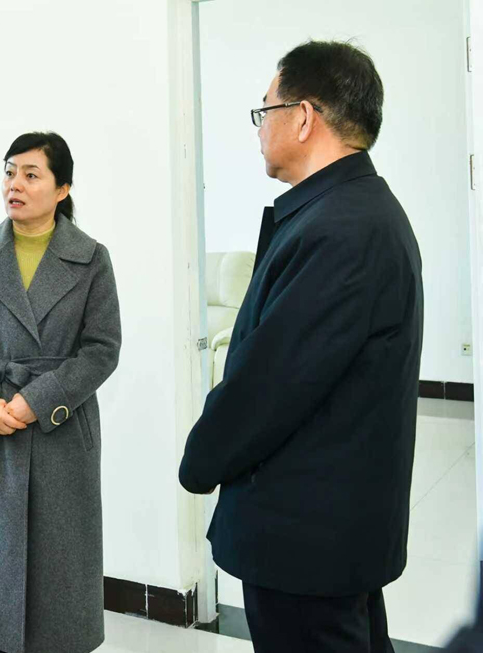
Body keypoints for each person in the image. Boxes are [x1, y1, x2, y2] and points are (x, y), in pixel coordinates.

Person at [179, 41, 423, 653]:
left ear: (305, 116)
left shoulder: (341, 229)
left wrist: (200, 460)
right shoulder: (353, 212)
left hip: (306, 544)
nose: (259, 128)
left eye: (266, 110)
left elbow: (270, 387)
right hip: (329, 535)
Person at [0, 132, 121, 653]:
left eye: (32, 175)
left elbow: (102, 349)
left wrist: (39, 400)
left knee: (58, 584)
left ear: (62, 189)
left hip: (59, 431)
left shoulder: (91, 259)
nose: (15, 184)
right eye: (10, 172)